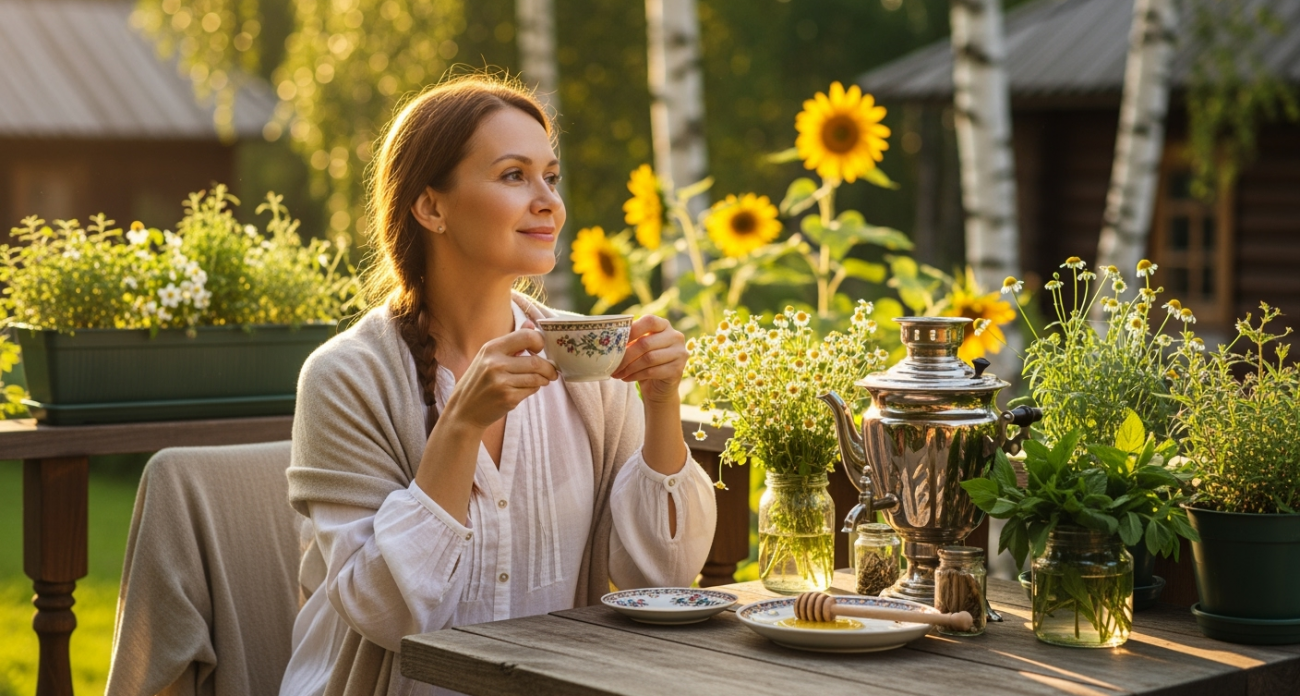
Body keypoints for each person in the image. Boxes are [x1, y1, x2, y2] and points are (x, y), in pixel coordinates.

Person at [279, 75, 717, 696]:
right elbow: (384, 613)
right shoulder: (348, 377)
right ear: (431, 206)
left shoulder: (588, 357)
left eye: (551, 177)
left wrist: (662, 401)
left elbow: (664, 573)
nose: (549, 202)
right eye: (514, 175)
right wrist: (460, 426)